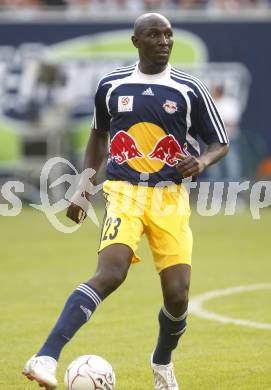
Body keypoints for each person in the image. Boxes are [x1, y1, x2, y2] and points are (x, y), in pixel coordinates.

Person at [22, 12, 229, 390]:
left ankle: (162, 364)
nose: (164, 42)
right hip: (124, 192)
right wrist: (84, 188)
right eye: (154, 35)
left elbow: (219, 142)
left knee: (178, 295)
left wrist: (200, 160)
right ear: (136, 41)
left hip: (169, 198)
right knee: (111, 272)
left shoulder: (189, 88)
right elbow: (99, 136)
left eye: (168, 35)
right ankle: (45, 357)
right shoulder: (112, 86)